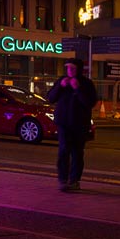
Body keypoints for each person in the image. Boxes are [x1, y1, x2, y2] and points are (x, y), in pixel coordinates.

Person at [47, 57, 98, 192]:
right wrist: (60, 86)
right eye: (68, 67)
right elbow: (51, 98)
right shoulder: (62, 81)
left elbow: (90, 102)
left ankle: (74, 180)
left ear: (78, 69)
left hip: (79, 124)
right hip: (63, 123)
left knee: (77, 153)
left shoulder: (86, 83)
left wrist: (78, 89)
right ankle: (63, 179)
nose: (70, 70)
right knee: (63, 150)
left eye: (73, 68)